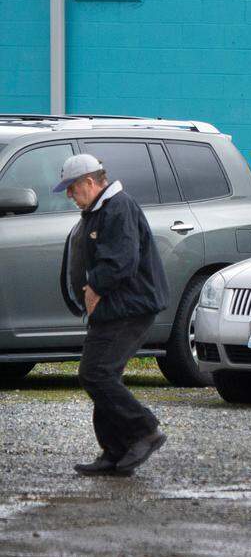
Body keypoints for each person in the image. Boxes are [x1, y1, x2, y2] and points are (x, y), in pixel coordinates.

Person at [55, 154, 170, 476]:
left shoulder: (118, 207)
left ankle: (145, 430)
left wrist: (95, 288)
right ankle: (114, 452)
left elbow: (121, 260)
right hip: (114, 308)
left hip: (129, 307)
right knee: (101, 375)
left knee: (96, 374)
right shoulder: (99, 209)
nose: (69, 195)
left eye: (71, 188)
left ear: (90, 182)